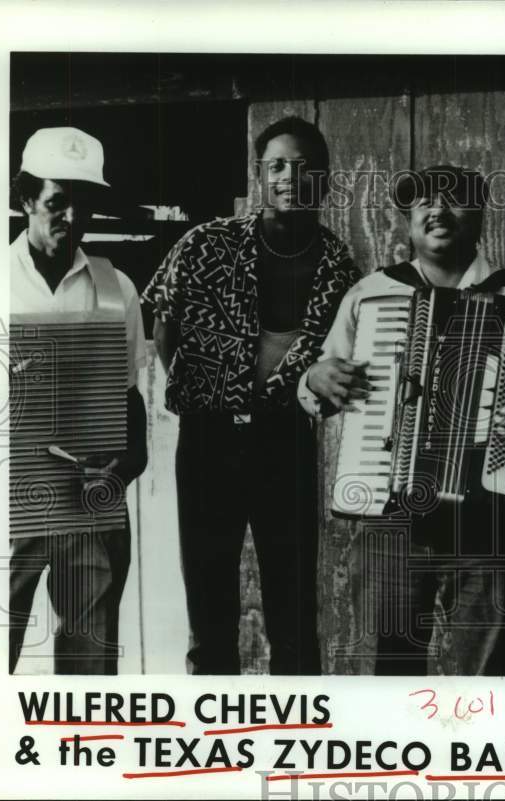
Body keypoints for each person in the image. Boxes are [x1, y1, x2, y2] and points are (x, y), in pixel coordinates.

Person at [298, 164, 505, 675]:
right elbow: (321, 384)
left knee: (484, 676)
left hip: (488, 522)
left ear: (479, 216)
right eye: (424, 202)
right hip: (390, 520)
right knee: (388, 670)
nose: (438, 210)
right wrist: (314, 378)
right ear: (408, 221)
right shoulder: (371, 295)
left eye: (455, 200)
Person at [142, 116, 360, 674]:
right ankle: (215, 737)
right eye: (277, 165)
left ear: (326, 181)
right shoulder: (207, 243)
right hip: (208, 441)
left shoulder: (340, 269)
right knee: (210, 609)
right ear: (260, 175)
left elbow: (341, 361)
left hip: (283, 441)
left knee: (293, 610)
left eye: (305, 166)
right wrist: (214, 390)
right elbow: (163, 324)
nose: (291, 177)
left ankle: (298, 742)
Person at [9, 126, 148, 674]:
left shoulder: (117, 288)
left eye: (83, 204)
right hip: (5, 501)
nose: (70, 217)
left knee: (89, 672)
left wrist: (128, 464)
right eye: (57, 203)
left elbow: (129, 396)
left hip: (89, 503)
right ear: (25, 199)